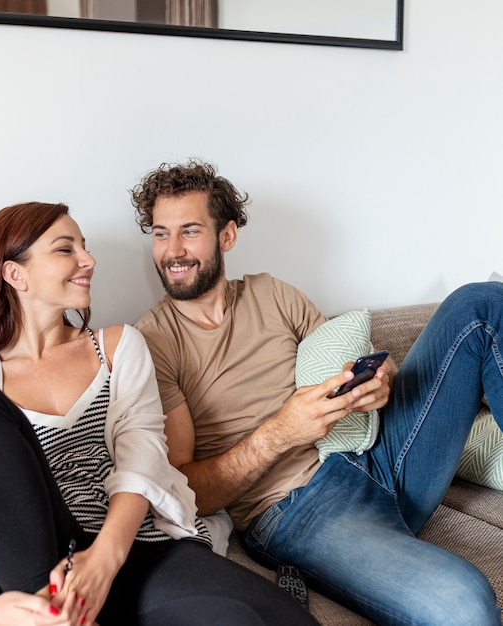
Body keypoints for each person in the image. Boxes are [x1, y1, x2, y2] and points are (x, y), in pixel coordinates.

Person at [132, 159, 503, 625]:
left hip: (375, 456)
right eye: (161, 233)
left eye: (189, 231)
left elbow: (351, 358)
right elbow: (185, 492)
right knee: (463, 604)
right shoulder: (153, 343)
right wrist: (281, 432)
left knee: (479, 304)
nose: (172, 250)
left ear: (226, 237)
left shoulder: (274, 294)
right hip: (295, 511)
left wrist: (378, 379)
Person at [0, 202, 319, 626]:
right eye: (66, 249)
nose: (88, 260)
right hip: (39, 562)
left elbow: (143, 457)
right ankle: (57, 612)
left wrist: (104, 561)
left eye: (84, 246)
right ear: (14, 274)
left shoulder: (117, 347)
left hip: (136, 546)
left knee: (273, 618)